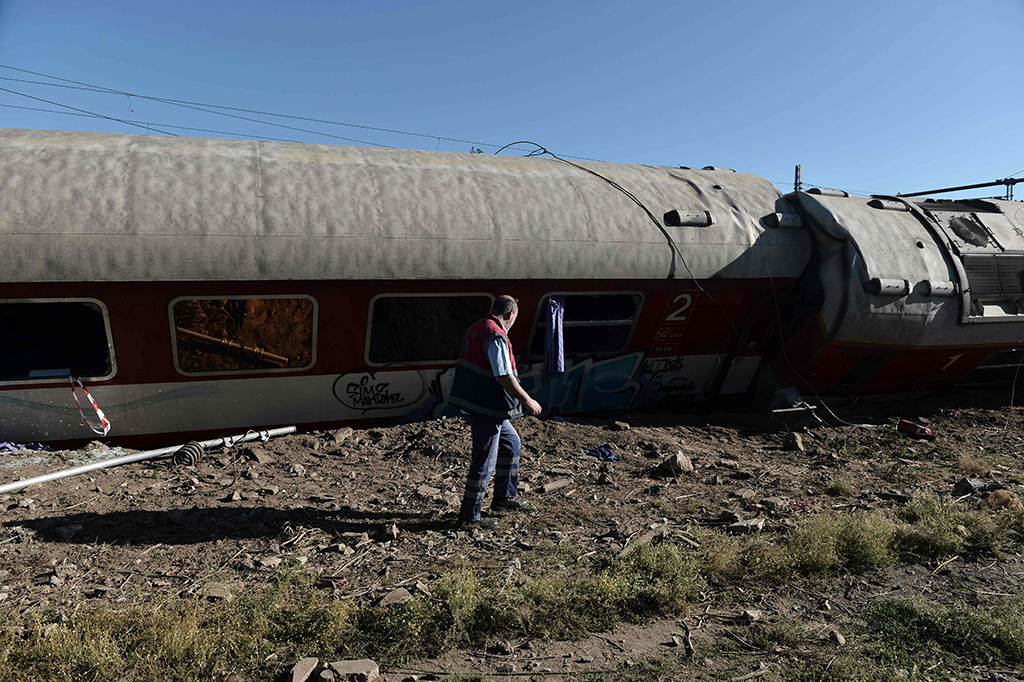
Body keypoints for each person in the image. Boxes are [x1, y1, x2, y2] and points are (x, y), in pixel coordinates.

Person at [448, 295, 543, 529]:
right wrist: (527, 400)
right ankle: (469, 517)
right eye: (515, 318)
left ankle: (503, 498)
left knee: (511, 443)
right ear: (510, 314)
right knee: (484, 461)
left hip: (479, 403)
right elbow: (503, 376)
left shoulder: (477, 327)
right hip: (486, 406)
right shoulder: (496, 336)